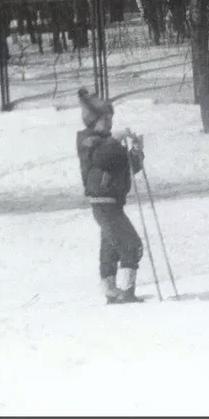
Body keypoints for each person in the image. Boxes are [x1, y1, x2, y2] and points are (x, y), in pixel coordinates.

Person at [76, 88, 144, 304]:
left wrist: (135, 152)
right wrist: (115, 140)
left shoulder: (107, 141)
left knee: (111, 247)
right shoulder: (88, 141)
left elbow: (130, 167)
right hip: (103, 203)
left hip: (112, 203)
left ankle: (112, 291)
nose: (110, 123)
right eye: (106, 119)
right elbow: (102, 159)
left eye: (111, 119)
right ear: (93, 120)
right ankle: (126, 292)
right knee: (131, 245)